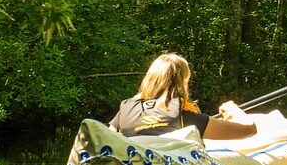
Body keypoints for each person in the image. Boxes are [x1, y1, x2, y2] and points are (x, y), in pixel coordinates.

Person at [109, 53, 257, 140]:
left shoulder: (125, 109)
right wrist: (233, 109)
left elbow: (107, 137)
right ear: (182, 82)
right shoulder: (184, 117)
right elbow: (249, 130)